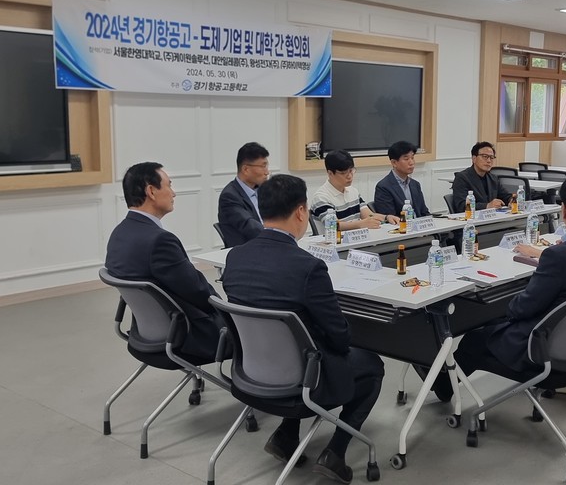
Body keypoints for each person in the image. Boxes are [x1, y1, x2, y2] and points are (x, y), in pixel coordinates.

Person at [222, 174, 384, 484]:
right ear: (300, 212)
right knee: (371, 366)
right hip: (302, 379)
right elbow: (339, 338)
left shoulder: (235, 257)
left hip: (250, 372)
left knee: (296, 350)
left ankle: (286, 435)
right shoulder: (307, 267)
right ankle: (335, 453)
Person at [449, 174, 566, 386]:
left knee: (474, 339)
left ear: (564, 210)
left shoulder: (559, 256)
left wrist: (501, 307)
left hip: (539, 351)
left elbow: (522, 308)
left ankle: (441, 387)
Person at [105, 162, 222, 360]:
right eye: (169, 185)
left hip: (147, 333)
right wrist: (226, 312)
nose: (173, 193)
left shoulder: (119, 233)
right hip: (185, 337)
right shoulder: (159, 241)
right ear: (151, 191)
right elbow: (198, 292)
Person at [311, 149, 400, 230]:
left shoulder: (353, 191)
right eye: (343, 173)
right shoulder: (321, 197)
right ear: (330, 173)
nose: (349, 176)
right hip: (333, 241)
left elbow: (368, 215)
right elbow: (333, 225)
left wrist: (386, 217)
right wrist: (361, 224)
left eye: (351, 171)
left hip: (356, 239)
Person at [217, 142, 270, 247]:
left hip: (267, 245)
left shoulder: (263, 190)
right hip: (249, 249)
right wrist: (277, 237)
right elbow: (250, 227)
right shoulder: (229, 197)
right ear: (246, 169)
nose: (267, 172)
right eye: (263, 166)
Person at [373, 140, 430, 218]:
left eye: (412, 158)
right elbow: (390, 219)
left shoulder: (415, 184)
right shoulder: (383, 187)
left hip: (419, 224)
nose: (411, 163)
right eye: (406, 159)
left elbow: (424, 212)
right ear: (394, 163)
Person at [452, 141, 513, 213]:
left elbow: (505, 196)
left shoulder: (493, 178)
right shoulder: (462, 178)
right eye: (485, 157)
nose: (489, 161)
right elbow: (461, 205)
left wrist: (512, 200)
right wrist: (487, 206)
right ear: (474, 159)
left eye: (491, 157)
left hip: (492, 217)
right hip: (471, 218)